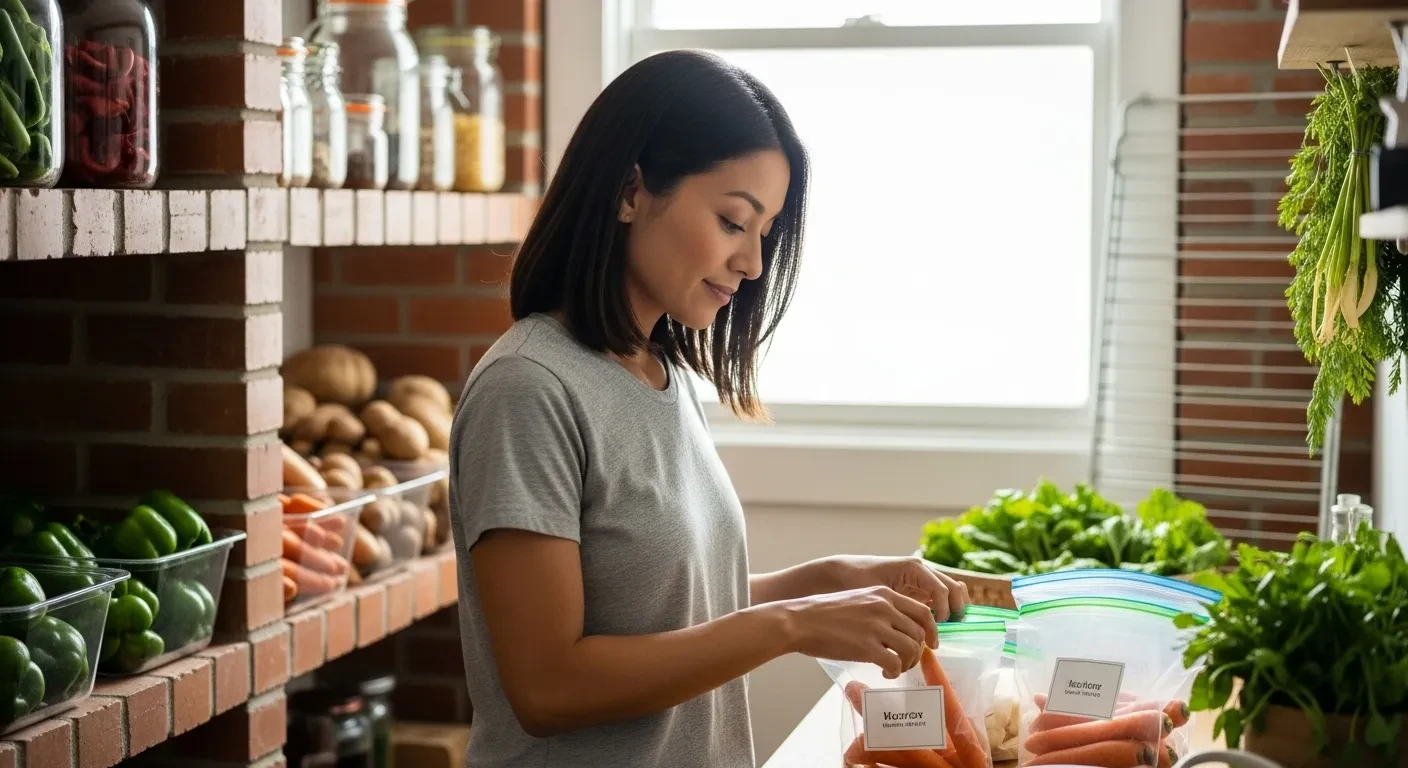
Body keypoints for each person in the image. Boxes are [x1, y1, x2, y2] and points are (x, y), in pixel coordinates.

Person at [448, 49, 969, 768]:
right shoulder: (528, 389)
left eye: (765, 233)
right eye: (733, 221)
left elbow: (663, 605)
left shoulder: (659, 373)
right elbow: (549, 688)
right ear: (630, 191)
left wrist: (831, 579)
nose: (754, 264)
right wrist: (791, 624)